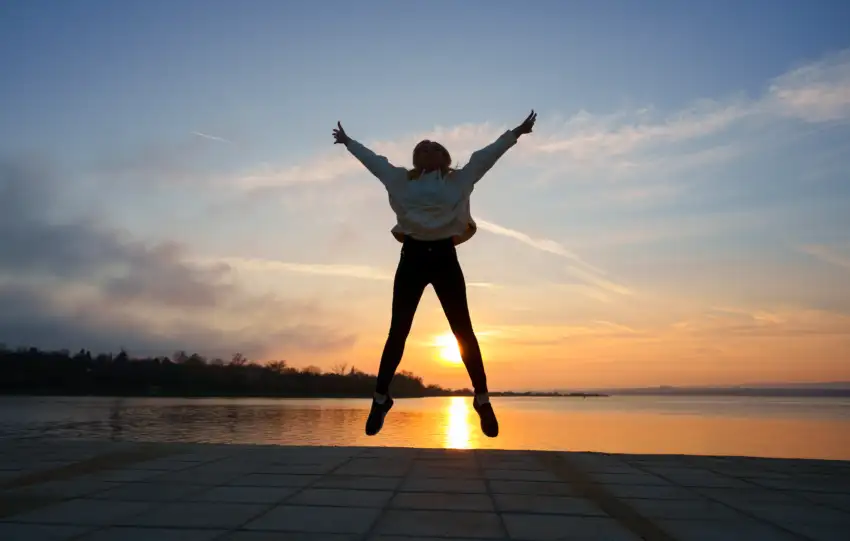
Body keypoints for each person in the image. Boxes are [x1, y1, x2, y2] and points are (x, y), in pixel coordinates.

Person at [333, 110, 537, 438]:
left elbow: (487, 156)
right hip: (412, 257)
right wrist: (348, 142)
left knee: (462, 330)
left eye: (435, 147)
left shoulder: (459, 180)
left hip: (444, 257)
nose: (428, 148)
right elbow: (373, 161)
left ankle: (482, 399)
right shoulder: (400, 179)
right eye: (422, 147)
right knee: (398, 331)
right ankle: (380, 399)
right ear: (416, 158)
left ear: (445, 158)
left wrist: (516, 133)